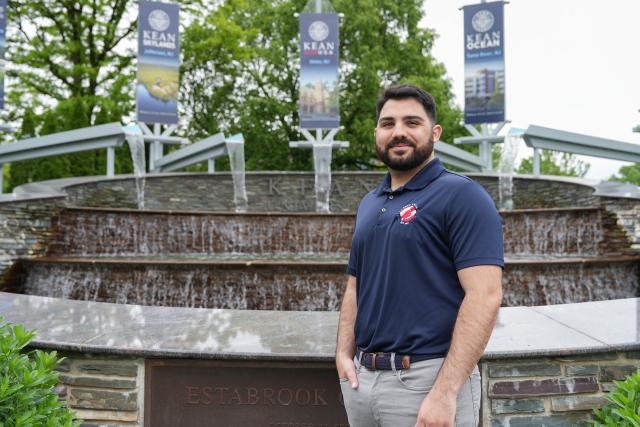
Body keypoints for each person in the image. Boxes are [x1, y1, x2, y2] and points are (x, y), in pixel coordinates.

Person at [336, 84, 503, 427]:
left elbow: (485, 296)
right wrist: (343, 352)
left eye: (412, 122)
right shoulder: (369, 204)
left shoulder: (463, 196)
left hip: (428, 380)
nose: (398, 132)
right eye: (388, 123)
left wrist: (445, 391)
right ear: (377, 133)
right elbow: (355, 285)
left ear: (435, 132)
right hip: (362, 383)